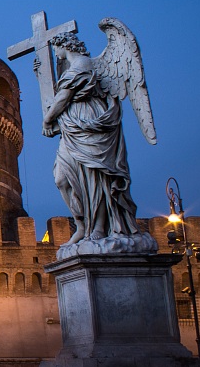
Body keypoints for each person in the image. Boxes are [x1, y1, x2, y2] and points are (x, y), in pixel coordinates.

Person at [41, 32, 141, 247]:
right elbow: (60, 93)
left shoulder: (84, 64)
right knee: (62, 178)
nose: (55, 54)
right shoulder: (70, 68)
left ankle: (98, 226)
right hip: (72, 126)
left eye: (55, 50)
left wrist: (48, 120)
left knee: (97, 178)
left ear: (63, 46)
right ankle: (81, 225)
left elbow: (64, 96)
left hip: (89, 121)